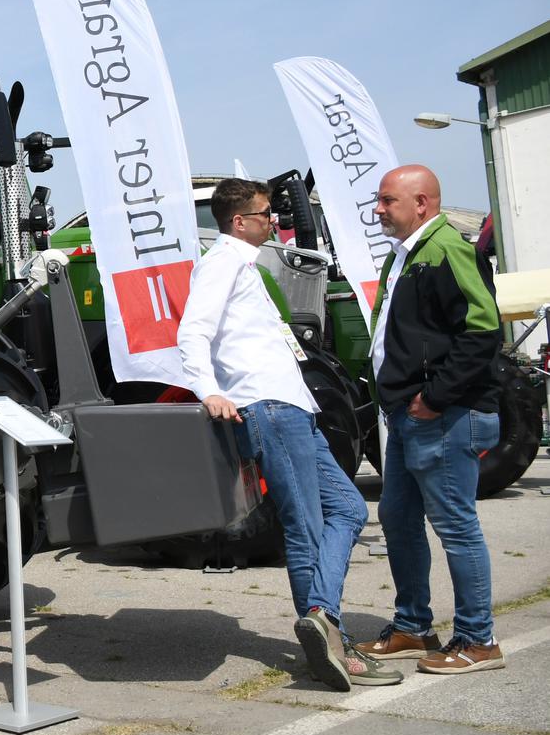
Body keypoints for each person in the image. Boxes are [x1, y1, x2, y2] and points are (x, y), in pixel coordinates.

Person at [178, 178, 400, 690]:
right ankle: (331, 636)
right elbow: (193, 330)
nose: (272, 222)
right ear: (239, 221)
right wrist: (209, 390)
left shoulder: (243, 265)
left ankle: (321, 618)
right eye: (264, 214)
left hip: (291, 407)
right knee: (306, 528)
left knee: (347, 509)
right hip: (269, 407)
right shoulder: (223, 262)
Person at [354, 165, 505, 674]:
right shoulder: (409, 252)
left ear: (421, 203)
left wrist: (436, 397)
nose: (378, 209)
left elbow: (482, 329)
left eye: (387, 201)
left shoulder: (448, 249)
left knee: (455, 527)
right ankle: (413, 628)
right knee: (396, 518)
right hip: (407, 414)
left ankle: (478, 640)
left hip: (441, 415)